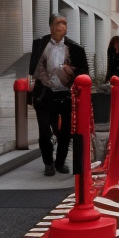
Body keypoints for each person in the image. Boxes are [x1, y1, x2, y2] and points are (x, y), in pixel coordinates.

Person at [28, 14, 89, 176]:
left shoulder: (75, 48)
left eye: (64, 23)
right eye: (58, 23)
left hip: (66, 95)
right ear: (50, 26)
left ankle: (60, 162)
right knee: (44, 131)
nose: (61, 26)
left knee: (65, 132)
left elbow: (85, 74)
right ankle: (48, 163)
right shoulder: (40, 45)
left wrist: (73, 72)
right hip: (44, 96)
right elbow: (32, 69)